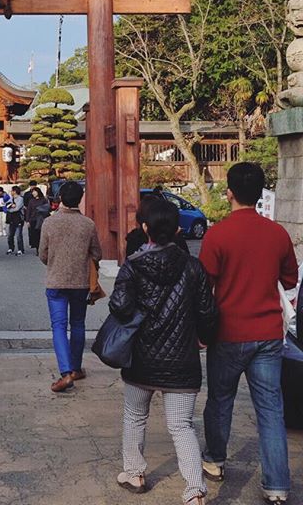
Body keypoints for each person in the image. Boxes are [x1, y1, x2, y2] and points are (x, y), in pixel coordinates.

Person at [199, 163, 298, 504]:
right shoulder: (278, 234)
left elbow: (204, 286)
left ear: (229, 192)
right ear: (260, 194)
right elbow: (289, 280)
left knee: (220, 401)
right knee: (271, 410)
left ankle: (214, 460)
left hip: (227, 332)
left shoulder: (217, 235)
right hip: (269, 333)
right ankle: (277, 486)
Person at [109, 199, 218, 504]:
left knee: (134, 416)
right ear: (178, 228)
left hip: (142, 358)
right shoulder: (194, 267)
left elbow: (119, 307)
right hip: (182, 361)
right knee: (181, 426)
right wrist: (204, 338)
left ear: (145, 229)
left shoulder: (133, 264)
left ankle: (134, 472)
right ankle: (195, 491)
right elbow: (208, 313)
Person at [39, 181, 101, 392]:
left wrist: (57, 262)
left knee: (58, 326)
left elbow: (43, 254)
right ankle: (76, 368)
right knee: (78, 323)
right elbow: (97, 253)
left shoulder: (50, 223)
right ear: (80, 198)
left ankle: (65, 373)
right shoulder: (88, 224)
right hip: (80, 282)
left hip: (56, 280)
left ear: (61, 198)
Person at [26, 186, 50, 251]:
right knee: (35, 235)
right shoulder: (31, 201)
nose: (33, 193)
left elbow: (47, 209)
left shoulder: (43, 200)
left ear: (38, 192)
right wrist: (27, 220)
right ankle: (37, 248)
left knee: (41, 234)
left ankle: (42, 248)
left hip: (41, 219)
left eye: (34, 191)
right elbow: (29, 211)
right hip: (33, 219)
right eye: (32, 192)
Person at [6, 185, 25, 256]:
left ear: (15, 191)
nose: (11, 192)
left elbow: (17, 208)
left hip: (19, 219)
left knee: (18, 235)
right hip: (12, 219)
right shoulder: (11, 198)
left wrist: (10, 208)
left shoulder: (20, 199)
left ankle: (20, 249)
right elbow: (6, 206)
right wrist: (11, 206)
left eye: (12, 191)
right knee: (10, 235)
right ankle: (11, 248)